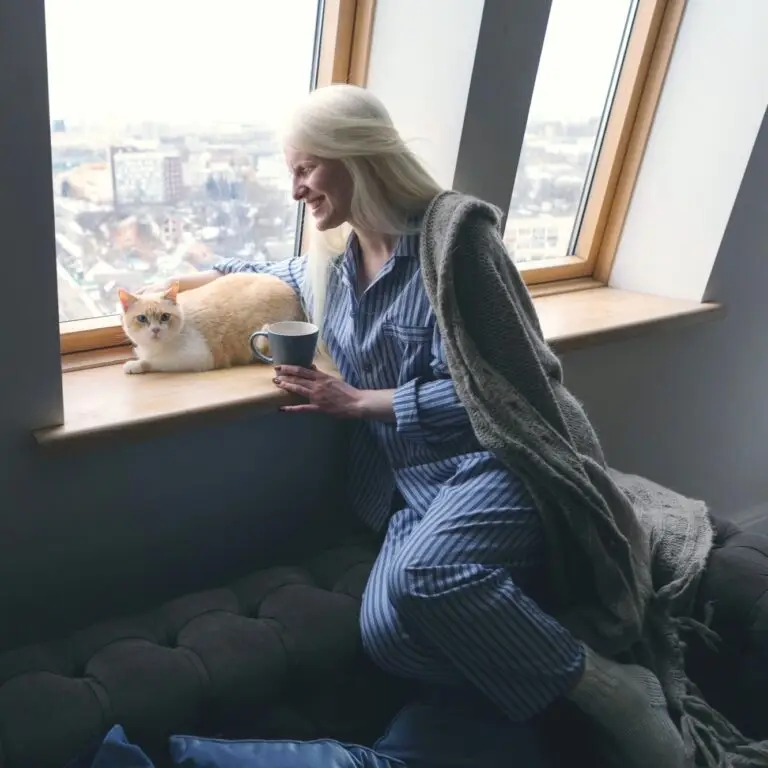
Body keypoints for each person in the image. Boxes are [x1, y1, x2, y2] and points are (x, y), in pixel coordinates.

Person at [146, 84, 688, 768]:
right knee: (388, 638)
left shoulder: (456, 244)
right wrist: (179, 285)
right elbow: (260, 275)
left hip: (498, 462)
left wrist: (360, 402)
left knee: (428, 575)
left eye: (305, 168)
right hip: (413, 485)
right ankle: (549, 693)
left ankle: (617, 694)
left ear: (354, 155)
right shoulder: (331, 265)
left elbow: (507, 392)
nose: (295, 190)